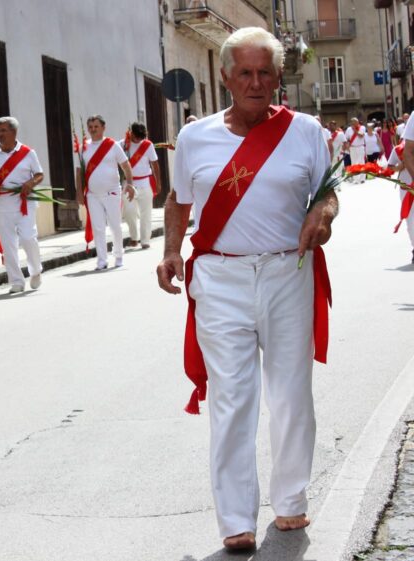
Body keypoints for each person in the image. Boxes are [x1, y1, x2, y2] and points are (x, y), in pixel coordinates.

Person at [157, 27, 335, 551]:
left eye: (265, 73)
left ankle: (291, 502)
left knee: (291, 394)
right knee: (233, 399)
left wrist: (322, 216)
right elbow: (178, 200)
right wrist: (171, 250)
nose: (256, 83)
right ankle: (236, 519)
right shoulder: (195, 138)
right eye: (245, 74)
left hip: (287, 274)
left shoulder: (305, 132)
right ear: (226, 77)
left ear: (278, 77)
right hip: (221, 280)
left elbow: (326, 197)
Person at [0, 116, 45, 293]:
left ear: (14, 132)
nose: (0, 135)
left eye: (4, 131)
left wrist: (30, 184)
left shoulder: (27, 153)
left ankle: (35, 270)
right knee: (8, 244)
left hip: (25, 203)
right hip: (2, 205)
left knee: (28, 237)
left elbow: (39, 174)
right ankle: (16, 281)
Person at [76, 115, 135, 270]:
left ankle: (118, 255)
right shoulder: (83, 147)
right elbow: (79, 172)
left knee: (115, 225)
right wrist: (79, 192)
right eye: (90, 127)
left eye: (96, 126)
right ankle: (102, 260)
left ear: (103, 127)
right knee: (98, 227)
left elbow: (126, 166)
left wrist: (129, 184)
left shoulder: (112, 145)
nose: (93, 130)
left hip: (112, 192)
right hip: (92, 194)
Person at [120, 122, 163, 250]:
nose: (138, 139)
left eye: (141, 137)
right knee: (129, 212)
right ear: (130, 133)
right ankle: (134, 237)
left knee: (146, 213)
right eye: (136, 136)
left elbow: (155, 164)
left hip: (145, 182)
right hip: (129, 184)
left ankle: (145, 240)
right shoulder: (123, 145)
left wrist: (158, 183)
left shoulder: (147, 145)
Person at [386, 139, 414, 263]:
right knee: (411, 219)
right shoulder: (398, 149)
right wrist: (400, 166)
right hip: (406, 187)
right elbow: (390, 166)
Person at [343, 117, 366, 183]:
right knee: (354, 163)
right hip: (352, 148)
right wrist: (347, 147)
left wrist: (355, 130)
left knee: (361, 162)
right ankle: (355, 179)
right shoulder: (348, 129)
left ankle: (362, 178)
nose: (353, 124)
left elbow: (361, 135)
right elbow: (346, 139)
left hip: (360, 147)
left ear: (357, 122)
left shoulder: (362, 128)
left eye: (355, 122)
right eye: (352, 122)